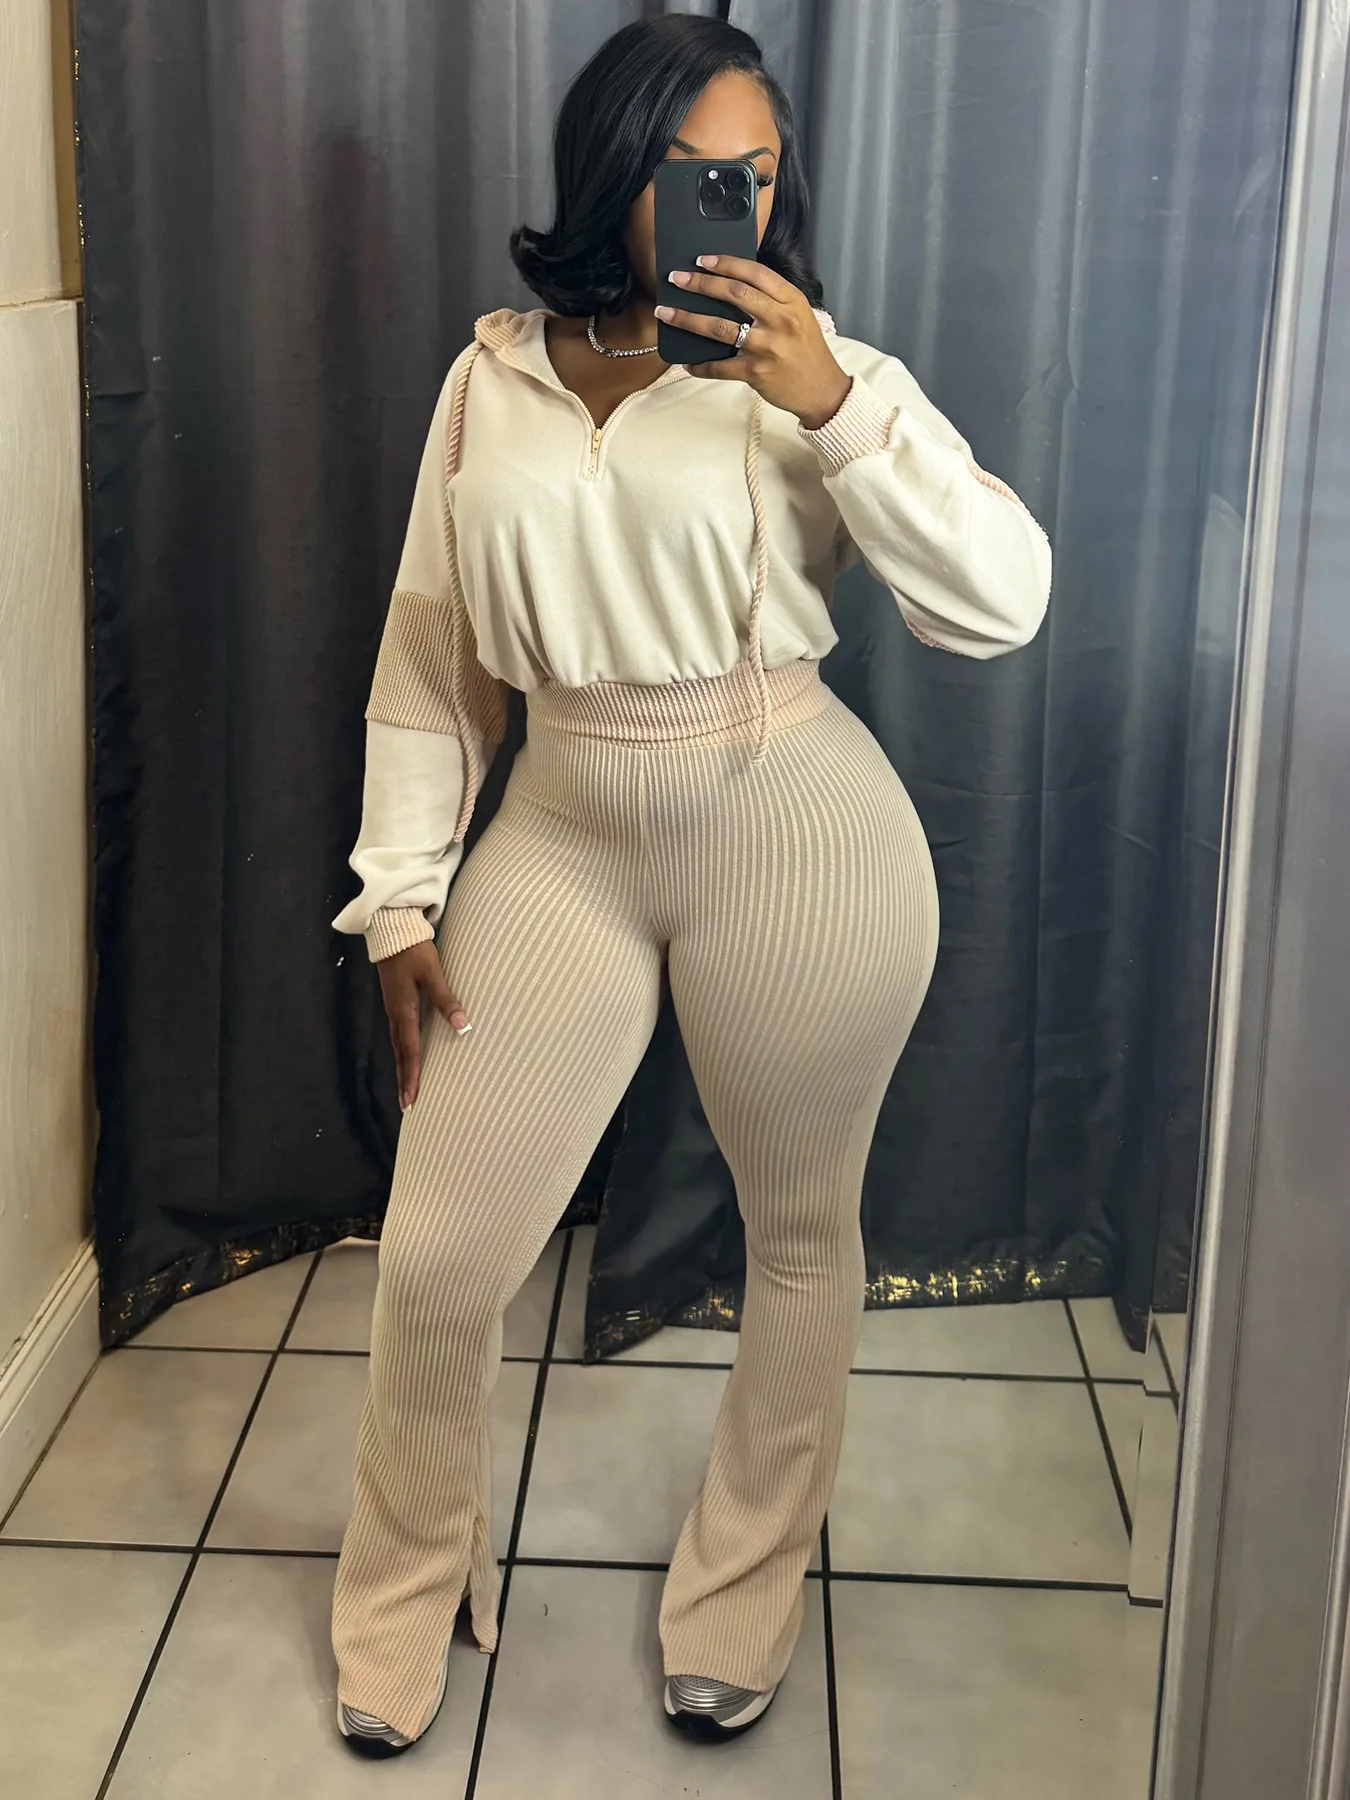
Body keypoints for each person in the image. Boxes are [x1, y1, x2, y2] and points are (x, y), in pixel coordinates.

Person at [329, 13, 1050, 1759]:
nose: (733, 199)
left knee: (798, 1238)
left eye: (758, 172)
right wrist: (401, 895)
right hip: (562, 829)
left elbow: (1000, 602)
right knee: (439, 1258)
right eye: (691, 168)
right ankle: (406, 1589)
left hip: (791, 820)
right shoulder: (487, 380)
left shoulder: (819, 376)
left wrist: (837, 409)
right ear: (615, 167)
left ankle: (740, 1591)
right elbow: (432, 655)